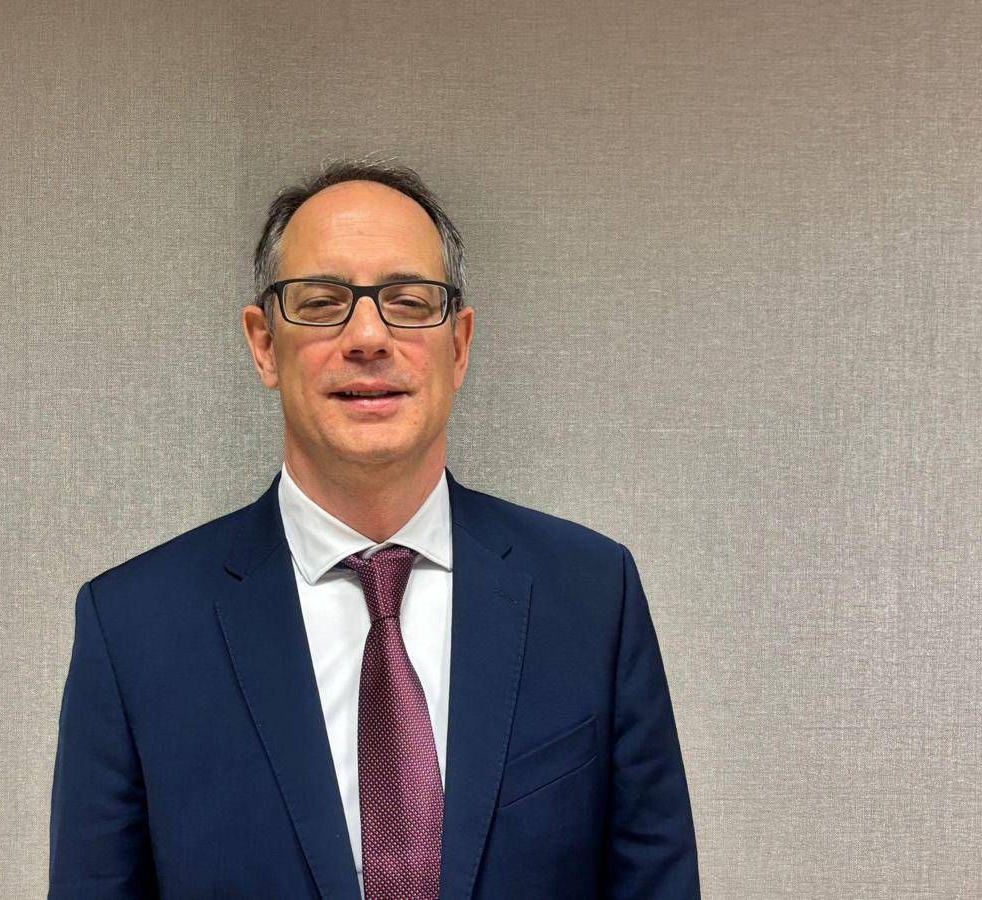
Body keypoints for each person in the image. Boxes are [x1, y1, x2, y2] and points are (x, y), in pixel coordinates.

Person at [48, 159, 701, 899]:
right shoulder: (133, 629)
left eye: (409, 302)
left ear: (459, 345)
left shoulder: (591, 596)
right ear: (263, 344)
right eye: (322, 302)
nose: (367, 336)